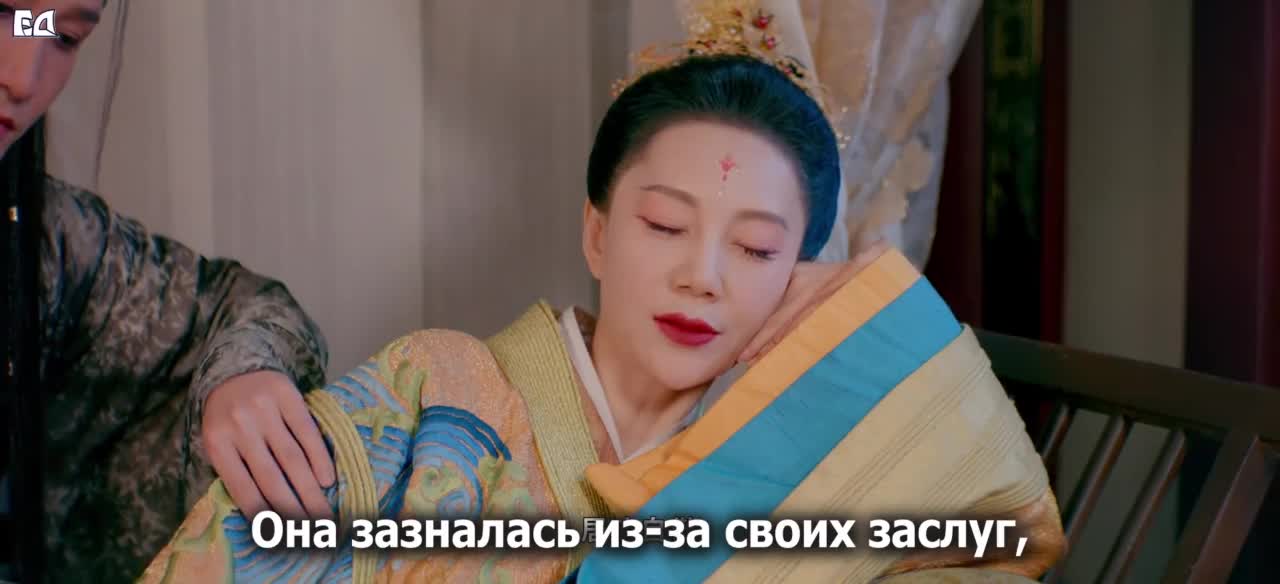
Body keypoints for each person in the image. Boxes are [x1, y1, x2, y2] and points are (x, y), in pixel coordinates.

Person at [140, 3, 1064, 581]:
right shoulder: (439, 388)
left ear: (802, 275)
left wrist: (864, 319)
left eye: (755, 248)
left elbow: (999, 539)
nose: (702, 275)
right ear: (596, 230)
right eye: (663, 225)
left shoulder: (816, 456)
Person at [1, 1, 340, 581]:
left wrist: (240, 372)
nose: (22, 77)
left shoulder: (49, 241)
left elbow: (239, 305)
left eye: (64, 36)